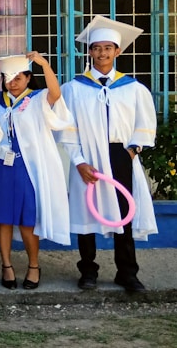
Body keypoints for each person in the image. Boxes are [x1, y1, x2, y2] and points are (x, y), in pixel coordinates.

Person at [61, 16, 157, 293]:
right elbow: (68, 130)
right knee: (86, 211)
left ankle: (127, 272)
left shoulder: (134, 89)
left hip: (120, 153)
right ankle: (87, 270)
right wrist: (78, 161)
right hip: (86, 155)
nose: (101, 53)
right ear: (89, 51)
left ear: (118, 51)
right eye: (96, 48)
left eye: (107, 48)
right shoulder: (74, 89)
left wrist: (131, 150)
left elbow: (145, 124)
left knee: (123, 212)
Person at [0, 53, 72, 291]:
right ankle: (6, 266)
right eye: (8, 78)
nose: (12, 82)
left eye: (18, 77)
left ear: (28, 78)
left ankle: (34, 266)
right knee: (4, 219)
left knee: (28, 220)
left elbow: (56, 95)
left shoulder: (38, 99)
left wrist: (45, 64)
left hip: (28, 167)